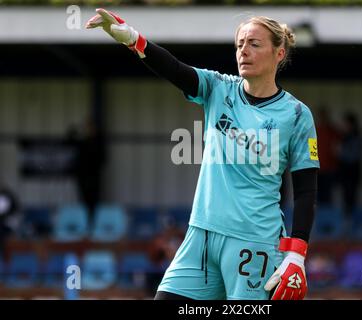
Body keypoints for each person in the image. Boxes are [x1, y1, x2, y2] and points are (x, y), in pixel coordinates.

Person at [86, 9, 320, 300]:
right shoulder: (218, 88)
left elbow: (306, 191)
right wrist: (133, 39)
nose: (243, 51)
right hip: (201, 236)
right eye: (239, 44)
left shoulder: (297, 115)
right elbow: (175, 70)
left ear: (279, 53)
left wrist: (297, 255)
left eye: (254, 44)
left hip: (254, 242)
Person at [337, 112, 362, 221]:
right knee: (345, 199)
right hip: (345, 174)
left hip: (352, 174)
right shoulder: (345, 137)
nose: (343, 126)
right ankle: (346, 223)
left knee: (351, 200)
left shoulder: (356, 137)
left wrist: (340, 152)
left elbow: (353, 156)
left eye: (345, 123)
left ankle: (351, 224)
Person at [315, 107, 340, 206]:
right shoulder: (315, 130)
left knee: (328, 195)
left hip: (329, 168)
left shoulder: (332, 130)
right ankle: (318, 218)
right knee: (317, 195)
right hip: (317, 168)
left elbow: (338, 147)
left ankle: (328, 217)